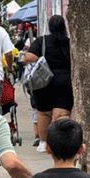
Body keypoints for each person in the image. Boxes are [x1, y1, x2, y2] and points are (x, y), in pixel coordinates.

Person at [24, 15, 72, 153]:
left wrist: (41, 60)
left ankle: (44, 143)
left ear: (50, 27)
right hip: (64, 81)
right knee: (62, 113)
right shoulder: (69, 42)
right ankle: (63, 143)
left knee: (44, 113)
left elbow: (29, 57)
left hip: (44, 81)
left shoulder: (42, 41)